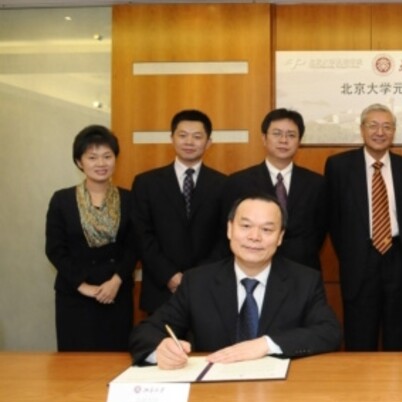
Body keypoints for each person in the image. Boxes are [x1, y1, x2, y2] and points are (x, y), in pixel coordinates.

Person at [129, 195, 341, 368]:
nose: (254, 237)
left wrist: (267, 344)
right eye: (246, 226)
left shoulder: (304, 280)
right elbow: (146, 331)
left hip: (278, 394)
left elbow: (329, 332)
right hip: (213, 393)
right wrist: (161, 349)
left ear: (280, 237)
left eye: (267, 230)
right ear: (230, 229)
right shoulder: (198, 281)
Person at [324, 104, 402, 351]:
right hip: (359, 258)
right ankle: (358, 386)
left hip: (397, 258)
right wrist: (350, 252)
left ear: (394, 132)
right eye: (373, 125)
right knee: (359, 334)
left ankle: (399, 386)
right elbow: (332, 217)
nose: (380, 132)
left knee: (398, 333)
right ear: (362, 130)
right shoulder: (339, 166)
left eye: (387, 126)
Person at [45, 125, 137, 351]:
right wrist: (82, 285)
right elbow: (55, 249)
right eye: (92, 157)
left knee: (115, 361)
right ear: (79, 162)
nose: (101, 163)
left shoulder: (130, 199)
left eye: (107, 156)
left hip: (116, 293)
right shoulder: (62, 200)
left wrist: (116, 281)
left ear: (115, 159)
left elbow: (134, 246)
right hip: (75, 296)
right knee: (75, 365)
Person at [131, 109, 228, 314]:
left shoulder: (223, 184)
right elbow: (141, 235)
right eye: (182, 135)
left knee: (206, 346)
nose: (189, 142)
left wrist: (196, 278)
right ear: (172, 139)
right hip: (161, 289)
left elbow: (225, 237)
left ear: (209, 142)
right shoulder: (146, 183)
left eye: (197, 136)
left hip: (208, 289)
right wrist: (170, 275)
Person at [222, 108, 326, 271]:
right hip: (253, 267)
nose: (284, 140)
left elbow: (319, 232)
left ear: (299, 141)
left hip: (302, 270)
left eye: (291, 135)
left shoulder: (317, 183)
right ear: (264, 138)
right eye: (277, 134)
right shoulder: (238, 182)